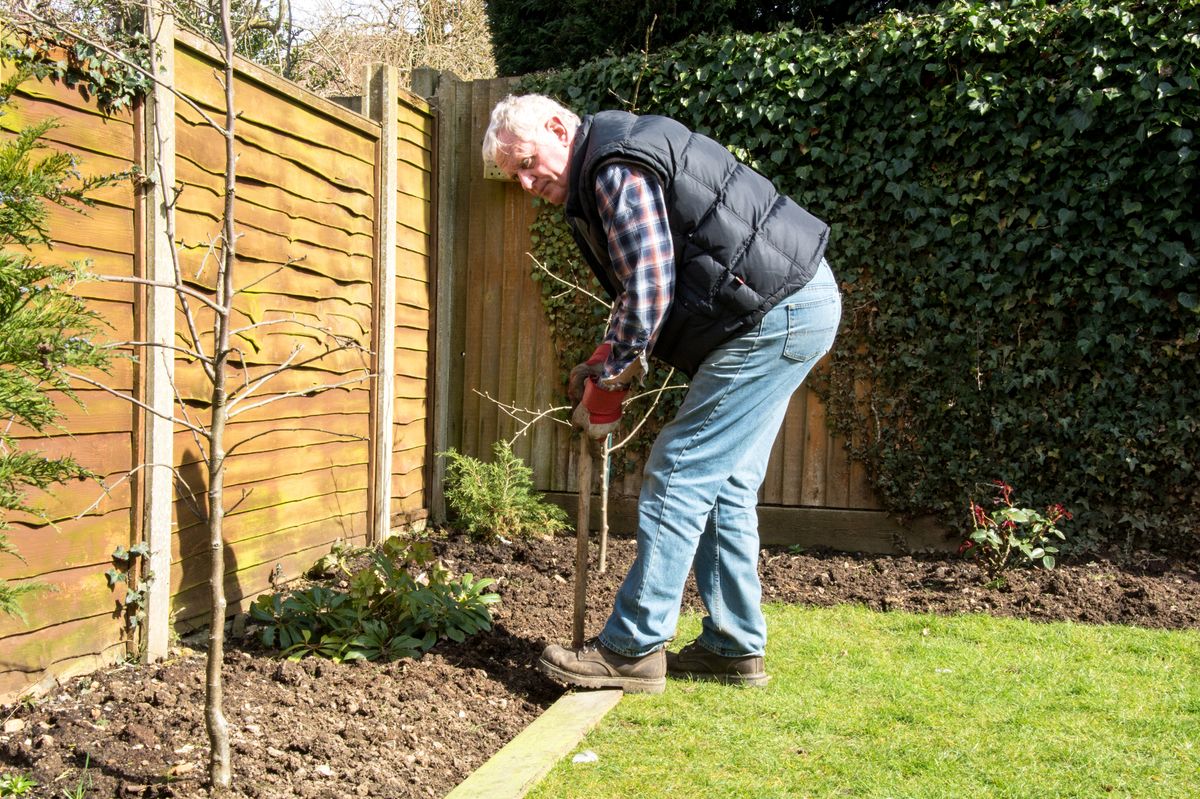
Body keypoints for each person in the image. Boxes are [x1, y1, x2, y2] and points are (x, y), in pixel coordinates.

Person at [481, 94, 841, 693]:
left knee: (680, 467)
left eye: (524, 163)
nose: (524, 183)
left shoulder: (613, 164)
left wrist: (613, 381)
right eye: (512, 175)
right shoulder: (615, 155)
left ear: (558, 128)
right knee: (725, 481)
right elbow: (640, 284)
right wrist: (607, 355)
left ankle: (633, 647)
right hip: (790, 305)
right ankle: (733, 646)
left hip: (771, 316)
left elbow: (650, 282)